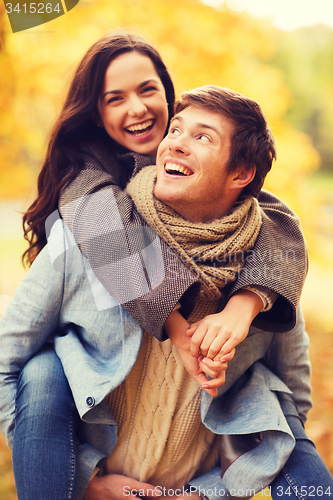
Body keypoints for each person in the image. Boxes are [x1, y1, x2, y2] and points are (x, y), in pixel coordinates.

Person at [1, 85, 332, 500]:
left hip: (197, 490)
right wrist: (87, 483)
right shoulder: (93, 231)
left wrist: (207, 493)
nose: (175, 144)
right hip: (91, 484)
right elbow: (5, 363)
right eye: (175, 130)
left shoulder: (268, 269)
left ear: (241, 174)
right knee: (41, 371)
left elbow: (293, 400)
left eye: (202, 137)